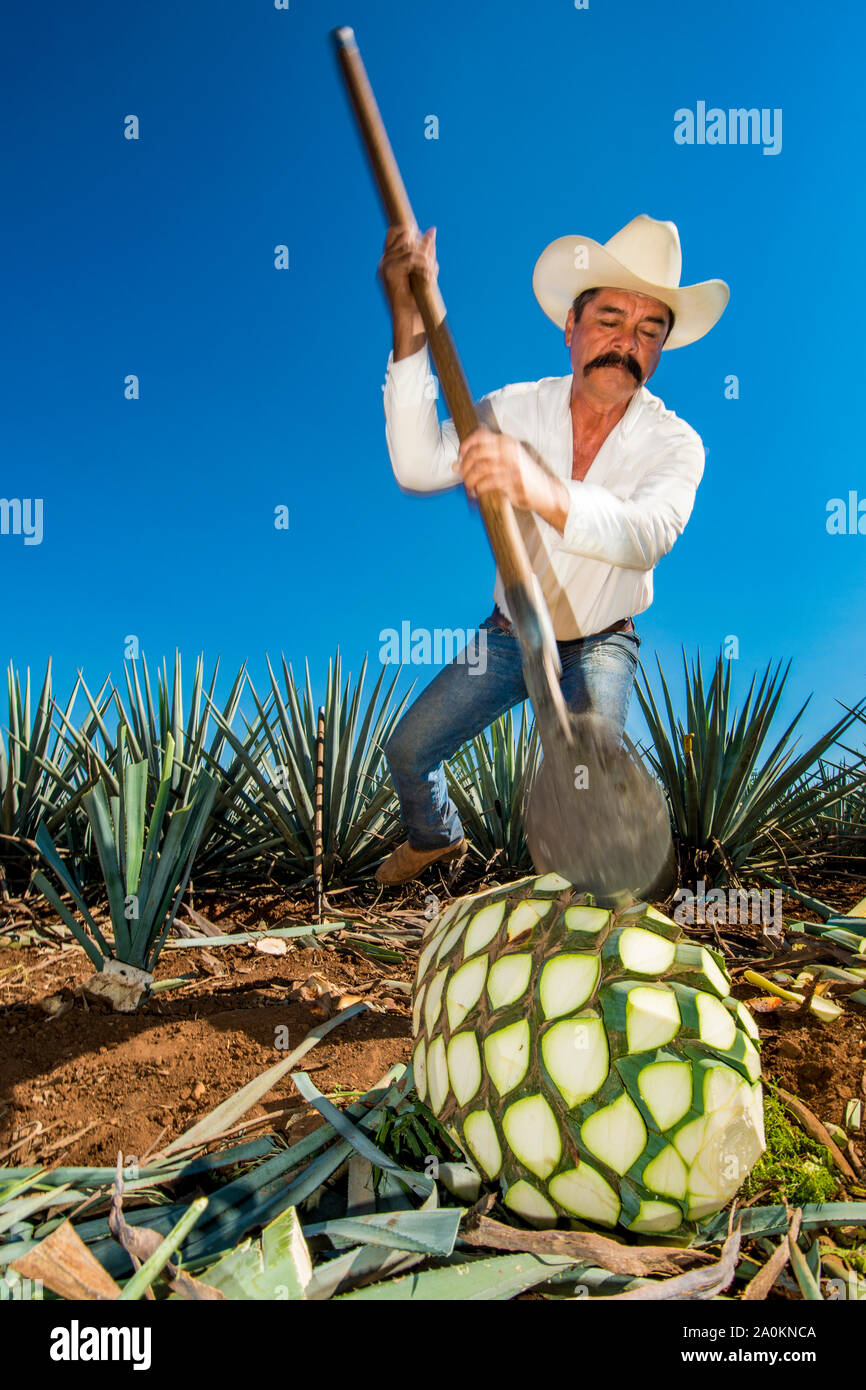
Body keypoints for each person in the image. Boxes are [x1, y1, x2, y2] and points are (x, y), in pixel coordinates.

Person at [375, 214, 728, 885]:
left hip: (601, 641)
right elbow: (418, 464)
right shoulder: (514, 409)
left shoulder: (676, 445)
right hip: (511, 634)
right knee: (408, 748)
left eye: (649, 333)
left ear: (660, 352)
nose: (626, 344)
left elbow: (646, 535)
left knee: (587, 779)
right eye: (610, 319)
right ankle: (436, 839)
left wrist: (539, 487)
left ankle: (601, 913)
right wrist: (409, 322)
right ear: (571, 326)